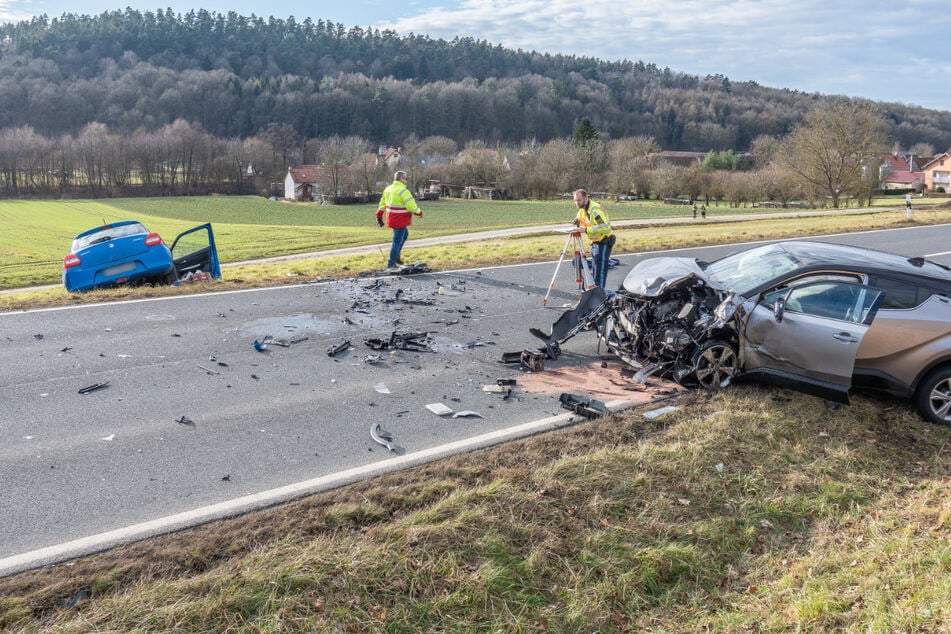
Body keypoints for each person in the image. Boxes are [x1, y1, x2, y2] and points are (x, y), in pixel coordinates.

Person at [376, 170, 422, 269]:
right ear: (401, 179)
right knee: (396, 241)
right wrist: (419, 212)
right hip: (400, 220)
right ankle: (391, 263)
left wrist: (379, 215)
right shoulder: (403, 191)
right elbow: (411, 207)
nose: (406, 180)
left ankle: (396, 256)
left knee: (405, 235)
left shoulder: (388, 189)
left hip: (392, 219)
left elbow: (382, 204)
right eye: (406, 178)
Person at [572, 189, 616, 289]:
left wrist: (586, 230)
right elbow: (580, 217)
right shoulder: (582, 208)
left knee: (600, 270)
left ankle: (599, 294)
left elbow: (604, 226)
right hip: (596, 242)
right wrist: (576, 220)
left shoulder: (594, 210)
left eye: (578, 200)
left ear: (585, 198)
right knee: (595, 267)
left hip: (604, 240)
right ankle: (597, 291)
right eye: (575, 200)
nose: (576, 203)